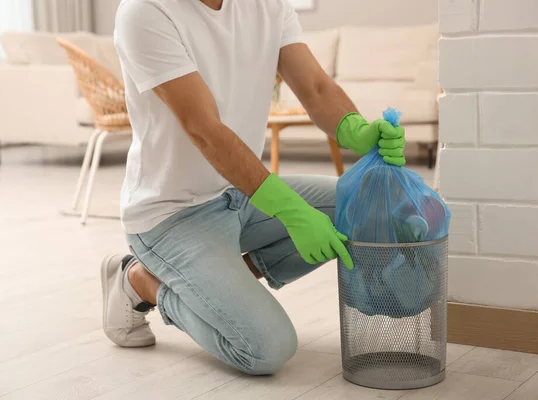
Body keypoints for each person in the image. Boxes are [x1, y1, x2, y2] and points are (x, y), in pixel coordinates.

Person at [102, 0, 406, 375]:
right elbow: (204, 129)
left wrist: (354, 130)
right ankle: (140, 281)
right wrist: (291, 210)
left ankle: (218, 282)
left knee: (369, 204)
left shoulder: (267, 5)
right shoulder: (145, 11)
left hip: (240, 193)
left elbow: (314, 87)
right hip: (170, 215)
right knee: (266, 349)